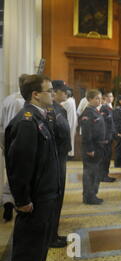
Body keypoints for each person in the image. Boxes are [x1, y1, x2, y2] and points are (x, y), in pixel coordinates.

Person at [4, 75, 60, 261]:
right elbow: (21, 164)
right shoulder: (27, 122)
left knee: (38, 250)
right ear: (36, 95)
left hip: (44, 196)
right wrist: (22, 200)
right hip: (34, 200)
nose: (53, 94)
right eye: (49, 91)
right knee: (28, 253)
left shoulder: (39, 117)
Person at [47, 80, 72, 248]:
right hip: (54, 160)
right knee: (53, 199)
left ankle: (53, 233)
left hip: (60, 158)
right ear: (55, 92)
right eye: (63, 91)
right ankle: (50, 237)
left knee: (59, 197)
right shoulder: (50, 111)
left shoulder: (59, 109)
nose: (66, 94)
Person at [0, 74, 28, 222]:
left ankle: (7, 201)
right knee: (21, 176)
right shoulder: (25, 102)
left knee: (11, 174)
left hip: (8, 141)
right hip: (22, 144)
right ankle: (20, 204)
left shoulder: (7, 99)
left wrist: (4, 144)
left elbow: (1, 124)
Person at [79, 90, 106, 205]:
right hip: (92, 148)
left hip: (98, 146)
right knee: (90, 172)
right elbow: (86, 133)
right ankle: (89, 196)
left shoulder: (95, 111)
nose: (99, 101)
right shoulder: (87, 113)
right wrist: (90, 149)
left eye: (100, 98)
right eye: (96, 98)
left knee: (95, 172)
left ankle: (93, 194)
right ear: (89, 99)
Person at [99, 91, 116, 182]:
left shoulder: (109, 108)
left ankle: (105, 174)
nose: (111, 98)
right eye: (109, 96)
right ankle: (103, 176)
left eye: (112, 96)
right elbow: (103, 124)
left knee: (108, 157)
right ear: (105, 98)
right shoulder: (104, 108)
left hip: (109, 137)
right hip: (105, 138)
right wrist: (105, 137)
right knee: (104, 158)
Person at [61, 89, 77, 158]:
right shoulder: (72, 100)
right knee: (71, 139)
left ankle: (69, 154)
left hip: (69, 122)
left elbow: (59, 105)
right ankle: (70, 154)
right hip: (73, 122)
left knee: (68, 139)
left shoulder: (68, 101)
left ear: (66, 95)